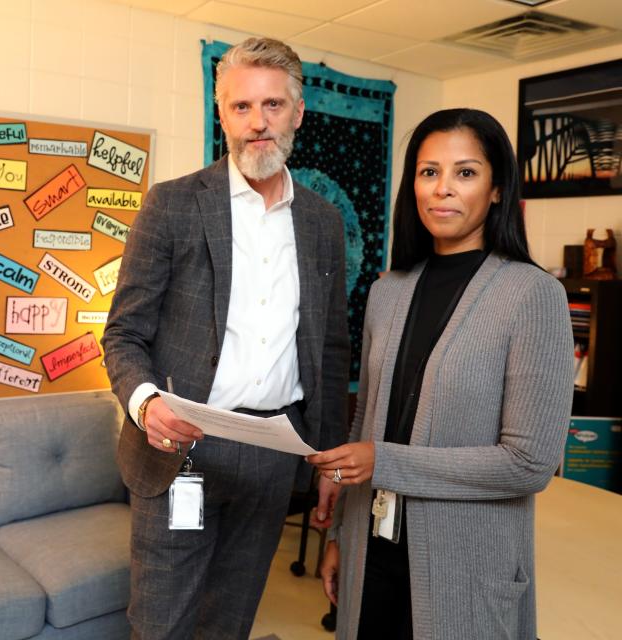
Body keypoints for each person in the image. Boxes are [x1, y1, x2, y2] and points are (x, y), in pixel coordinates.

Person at [101, 36, 350, 639]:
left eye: (272, 105)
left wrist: (329, 463)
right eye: (241, 107)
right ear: (222, 114)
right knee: (162, 624)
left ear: (298, 112)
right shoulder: (173, 205)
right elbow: (123, 333)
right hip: (181, 449)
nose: (257, 123)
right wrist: (145, 403)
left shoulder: (322, 221)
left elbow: (332, 349)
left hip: (273, 453)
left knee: (231, 620)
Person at [310, 108, 574, 640]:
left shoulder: (533, 295)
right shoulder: (389, 291)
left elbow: (530, 464)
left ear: (498, 190)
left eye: (466, 173)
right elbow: (367, 422)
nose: (443, 190)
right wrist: (340, 534)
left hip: (465, 565)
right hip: (373, 548)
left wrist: (384, 462)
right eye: (429, 172)